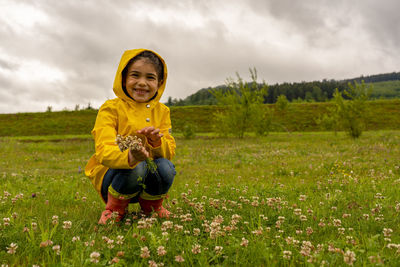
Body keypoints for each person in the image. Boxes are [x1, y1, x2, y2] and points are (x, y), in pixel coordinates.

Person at [85, 49, 176, 224]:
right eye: (135, 75)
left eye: (150, 77)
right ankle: (115, 208)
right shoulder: (110, 108)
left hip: (148, 177)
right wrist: (130, 156)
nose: (142, 83)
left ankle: (152, 207)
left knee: (166, 166)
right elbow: (103, 150)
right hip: (114, 178)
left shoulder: (163, 111)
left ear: (160, 82)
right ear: (123, 78)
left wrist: (157, 142)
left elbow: (169, 151)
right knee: (138, 166)